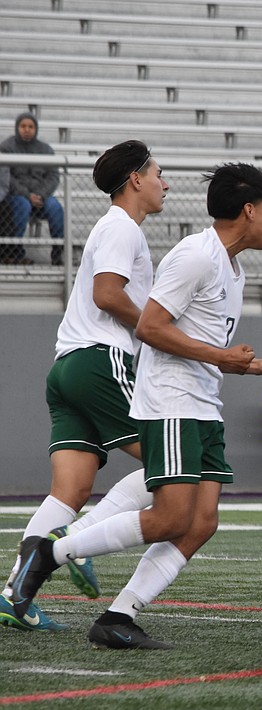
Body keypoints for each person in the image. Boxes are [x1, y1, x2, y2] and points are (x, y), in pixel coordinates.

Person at [8, 163, 262, 649]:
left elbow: (200, 342)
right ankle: (52, 552)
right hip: (171, 404)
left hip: (203, 405)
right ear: (248, 209)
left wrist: (256, 367)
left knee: (202, 523)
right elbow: (151, 328)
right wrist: (224, 357)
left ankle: (118, 617)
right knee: (169, 518)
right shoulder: (195, 254)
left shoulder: (233, 269)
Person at [0, 141, 168, 632]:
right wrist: (160, 331)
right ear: (135, 179)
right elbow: (107, 294)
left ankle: (15, 593)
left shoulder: (113, 227)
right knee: (174, 462)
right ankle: (76, 539)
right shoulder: (121, 226)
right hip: (101, 360)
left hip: (68, 366)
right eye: (158, 172)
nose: (165, 182)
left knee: (69, 489)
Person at [0, 113, 65, 265]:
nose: (27, 130)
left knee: (55, 208)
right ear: (17, 128)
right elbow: (7, 178)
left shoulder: (46, 149)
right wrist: (27, 195)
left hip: (42, 196)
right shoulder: (6, 147)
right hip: (18, 196)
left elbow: (53, 176)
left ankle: (58, 253)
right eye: (23, 126)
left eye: (31, 126)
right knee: (21, 205)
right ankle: (14, 253)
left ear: (36, 129)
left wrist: (41, 195)